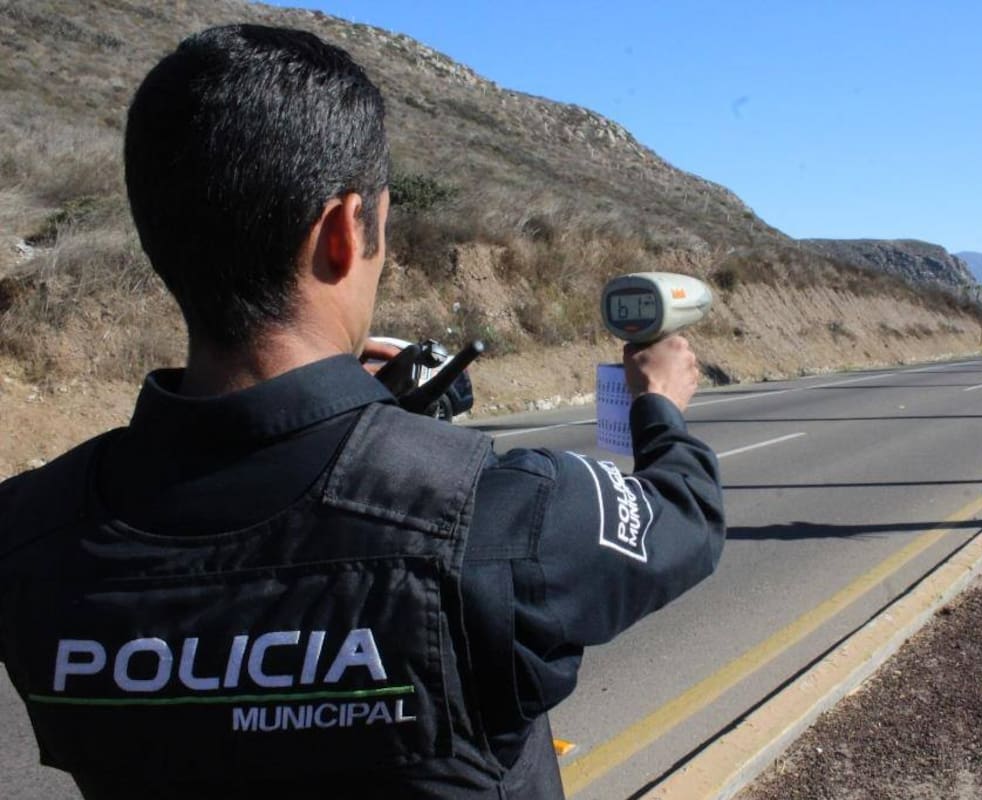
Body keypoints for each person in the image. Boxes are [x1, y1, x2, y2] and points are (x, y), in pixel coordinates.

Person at [0, 24, 724, 799]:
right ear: (343, 233)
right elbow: (684, 515)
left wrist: (372, 423)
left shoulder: (27, 531)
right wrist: (658, 404)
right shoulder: (502, 518)